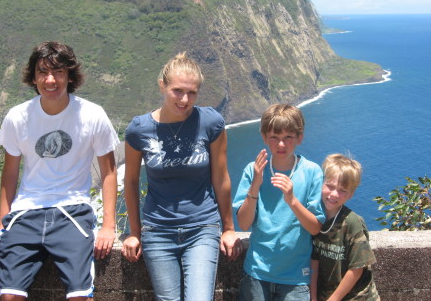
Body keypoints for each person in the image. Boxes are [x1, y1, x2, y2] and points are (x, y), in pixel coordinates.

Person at [0, 41, 120, 301]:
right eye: (43, 72)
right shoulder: (18, 117)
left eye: (58, 72)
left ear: (70, 76)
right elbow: (10, 174)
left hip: (73, 210)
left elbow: (109, 171)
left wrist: (108, 226)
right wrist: (1, 225)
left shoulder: (92, 115)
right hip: (27, 211)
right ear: (33, 77)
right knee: (10, 295)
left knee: (80, 295)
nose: (51, 80)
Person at [121, 52, 242, 301]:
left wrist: (229, 228)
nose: (185, 100)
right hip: (157, 230)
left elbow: (221, 178)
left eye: (192, 93)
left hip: (202, 228)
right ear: (162, 85)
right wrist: (135, 232)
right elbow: (131, 181)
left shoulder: (211, 123)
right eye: (177, 91)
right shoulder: (139, 129)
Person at [233, 103, 326, 301]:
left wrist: (292, 200)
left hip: (296, 278)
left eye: (288, 137)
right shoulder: (253, 170)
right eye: (274, 137)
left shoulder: (312, 172)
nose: (281, 144)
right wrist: (255, 185)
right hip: (257, 272)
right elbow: (243, 223)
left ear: (299, 137)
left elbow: (315, 227)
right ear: (264, 137)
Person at [310, 154, 380, 301]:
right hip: (326, 294)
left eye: (343, 190)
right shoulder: (314, 218)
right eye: (330, 186)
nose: (334, 194)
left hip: (357, 297)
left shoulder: (352, 223)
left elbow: (356, 269)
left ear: (351, 194)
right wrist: (313, 297)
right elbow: (313, 262)